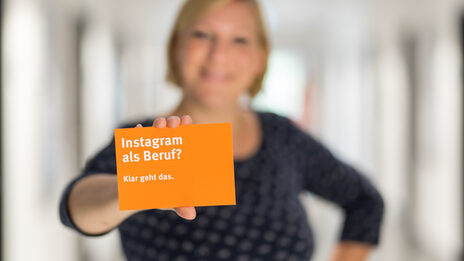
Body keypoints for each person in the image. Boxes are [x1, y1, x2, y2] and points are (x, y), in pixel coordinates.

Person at [59, 0, 384, 260]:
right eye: (202, 35)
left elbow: (365, 200)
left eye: (239, 40)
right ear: (176, 47)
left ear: (259, 59)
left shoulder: (282, 136)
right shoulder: (145, 138)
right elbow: (75, 207)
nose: (218, 54)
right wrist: (135, 187)